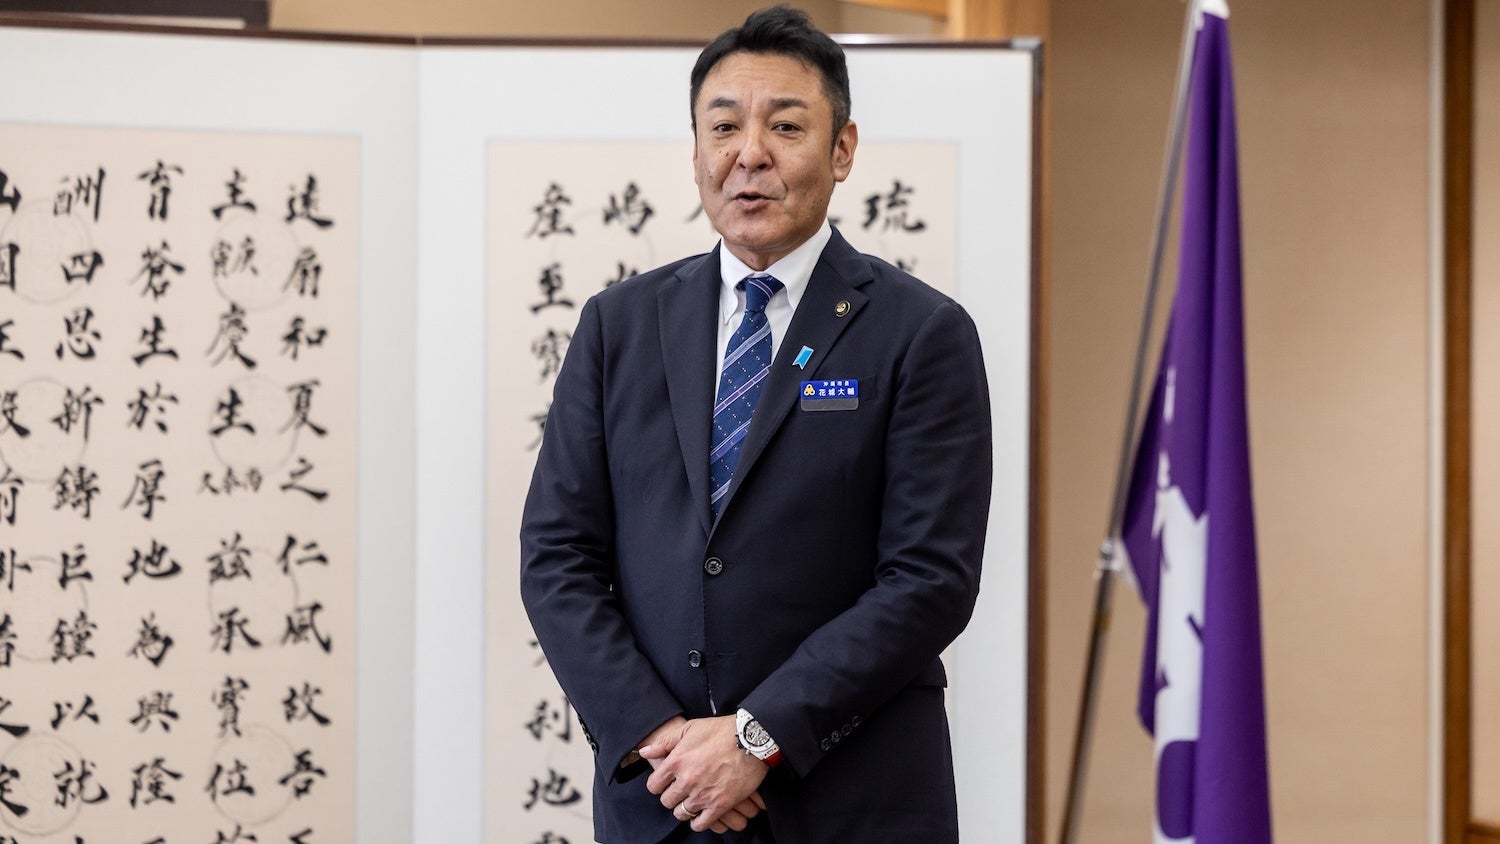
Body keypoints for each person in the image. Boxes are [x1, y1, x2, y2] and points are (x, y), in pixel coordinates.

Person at [519, 6, 993, 842]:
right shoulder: (617, 326)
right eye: (724, 127)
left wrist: (755, 737)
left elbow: (929, 580)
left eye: (786, 126)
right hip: (665, 799)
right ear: (696, 152)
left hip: (853, 801)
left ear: (842, 150)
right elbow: (557, 556)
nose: (750, 154)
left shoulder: (922, 332)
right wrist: (665, 742)